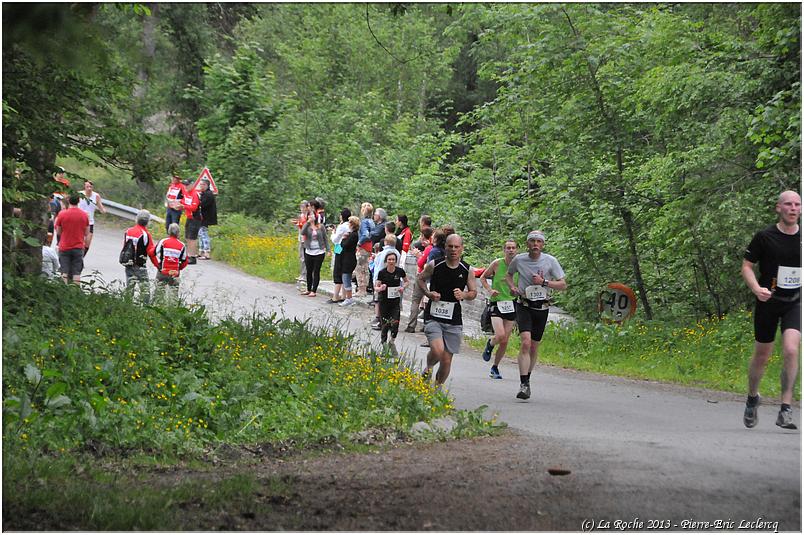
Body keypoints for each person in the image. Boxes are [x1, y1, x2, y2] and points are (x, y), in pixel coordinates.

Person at [742, 190, 801, 430]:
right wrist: (757, 288)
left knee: (790, 348)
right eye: (788, 204)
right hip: (768, 301)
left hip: (795, 301)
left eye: (797, 204)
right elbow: (746, 266)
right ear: (779, 208)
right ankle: (752, 397)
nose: (793, 208)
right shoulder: (765, 237)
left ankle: (785, 408)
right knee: (762, 355)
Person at [505, 230, 567, 400]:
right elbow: (509, 275)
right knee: (525, 342)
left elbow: (563, 285)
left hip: (542, 307)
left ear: (543, 245)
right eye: (532, 241)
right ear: (527, 244)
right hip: (524, 305)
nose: (535, 244)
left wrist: (544, 282)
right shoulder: (519, 259)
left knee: (533, 346)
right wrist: (512, 287)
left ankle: (528, 379)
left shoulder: (550, 261)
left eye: (538, 241)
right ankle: (523, 383)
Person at [417, 233, 477, 387]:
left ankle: (436, 390)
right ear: (445, 248)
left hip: (453, 319)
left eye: (456, 247)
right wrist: (428, 293)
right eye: (450, 246)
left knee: (446, 360)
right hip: (433, 316)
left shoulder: (467, 269)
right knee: (437, 350)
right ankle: (429, 367)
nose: (453, 250)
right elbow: (420, 279)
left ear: (462, 249)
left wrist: (464, 294)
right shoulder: (434, 265)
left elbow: (473, 293)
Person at [480, 239, 520, 379]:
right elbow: (483, 278)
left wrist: (517, 291)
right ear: (504, 250)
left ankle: (495, 367)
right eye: (508, 248)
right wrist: (490, 290)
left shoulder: (520, 266)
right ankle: (490, 344)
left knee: (505, 341)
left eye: (513, 248)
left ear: (517, 250)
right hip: (496, 303)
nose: (510, 250)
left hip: (511, 304)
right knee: (500, 335)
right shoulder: (497, 263)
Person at [375, 250, 408, 353]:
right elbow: (376, 287)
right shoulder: (382, 273)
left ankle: (392, 341)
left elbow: (407, 281)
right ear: (386, 261)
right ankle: (384, 345)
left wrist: (403, 287)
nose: (391, 261)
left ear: (396, 261)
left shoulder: (400, 271)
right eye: (389, 259)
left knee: (395, 324)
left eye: (393, 259)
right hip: (384, 301)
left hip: (395, 302)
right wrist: (381, 288)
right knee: (385, 325)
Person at [123, 210, 158, 303]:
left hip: (128, 264)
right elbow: (151, 253)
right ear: (147, 222)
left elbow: (125, 247)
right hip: (140, 265)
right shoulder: (146, 235)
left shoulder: (128, 231)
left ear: (137, 219)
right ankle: (145, 309)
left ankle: (126, 306)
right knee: (145, 290)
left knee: (129, 287)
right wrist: (158, 265)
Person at [404, 226, 435, 333]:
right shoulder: (441, 249)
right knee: (429, 303)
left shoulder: (429, 249)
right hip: (433, 279)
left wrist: (418, 255)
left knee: (416, 300)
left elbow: (421, 263)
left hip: (423, 276)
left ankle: (411, 325)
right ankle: (427, 325)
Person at [53, 193, 89, 284]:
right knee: (76, 272)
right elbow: (87, 233)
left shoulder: (62, 214)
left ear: (68, 201)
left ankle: (64, 291)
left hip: (65, 246)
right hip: (78, 246)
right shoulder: (84, 215)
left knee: (64, 271)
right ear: (79, 201)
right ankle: (75, 292)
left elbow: (58, 232)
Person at [152, 223, 189, 301]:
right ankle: (173, 310)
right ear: (178, 233)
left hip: (163, 271)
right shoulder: (182, 245)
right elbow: (185, 261)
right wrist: (179, 269)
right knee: (174, 296)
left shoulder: (163, 241)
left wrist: (158, 265)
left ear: (169, 232)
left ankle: (156, 308)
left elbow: (153, 253)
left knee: (158, 294)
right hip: (175, 273)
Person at [301, 205, 330, 297]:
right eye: (309, 216)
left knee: (316, 271)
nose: (310, 217)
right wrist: (307, 223)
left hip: (319, 251)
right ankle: (308, 289)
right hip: (309, 251)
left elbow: (325, 238)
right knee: (309, 271)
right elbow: (302, 232)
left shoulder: (321, 227)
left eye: (312, 215)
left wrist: (328, 249)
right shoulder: (307, 226)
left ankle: (314, 290)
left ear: (316, 216)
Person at [371, 234, 398, 329]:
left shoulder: (381, 254)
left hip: (382, 279)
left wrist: (375, 281)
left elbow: (377, 268)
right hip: (394, 279)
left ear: (385, 242)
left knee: (379, 300)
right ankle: (390, 320)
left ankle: (379, 319)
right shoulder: (397, 253)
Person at [328, 208, 352, 303]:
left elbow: (335, 239)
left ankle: (336, 296)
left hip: (339, 247)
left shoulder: (342, 226)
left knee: (337, 269)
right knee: (343, 272)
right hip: (347, 250)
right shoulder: (350, 226)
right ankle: (344, 295)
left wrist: (333, 233)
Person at [77, 180, 106, 255]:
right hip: (79, 220)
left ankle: (81, 258)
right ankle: (78, 259)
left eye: (90, 187)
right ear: (84, 187)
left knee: (87, 242)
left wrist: (103, 210)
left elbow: (100, 206)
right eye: (87, 187)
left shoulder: (96, 196)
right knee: (78, 241)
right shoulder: (79, 194)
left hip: (90, 222)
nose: (89, 188)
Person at [338, 216, 360, 307]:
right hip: (348, 258)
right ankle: (348, 297)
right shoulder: (352, 234)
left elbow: (344, 245)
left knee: (346, 277)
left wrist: (343, 238)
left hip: (349, 259)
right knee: (345, 277)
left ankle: (349, 298)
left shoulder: (353, 235)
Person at [355, 202, 375, 296]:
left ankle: (361, 289)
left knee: (360, 268)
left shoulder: (364, 222)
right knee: (365, 268)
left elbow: (365, 234)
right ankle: (365, 288)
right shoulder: (371, 221)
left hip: (363, 246)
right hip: (369, 246)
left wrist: (359, 243)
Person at [181, 180, 201, 264]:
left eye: (187, 185)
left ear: (192, 185)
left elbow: (194, 207)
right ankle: (188, 255)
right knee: (188, 237)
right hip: (189, 217)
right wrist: (178, 204)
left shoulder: (195, 194)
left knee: (192, 237)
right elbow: (183, 201)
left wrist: (183, 206)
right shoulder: (186, 193)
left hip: (195, 218)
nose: (186, 187)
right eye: (185, 185)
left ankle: (192, 256)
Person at [197, 178, 217, 260]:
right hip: (202, 217)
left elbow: (202, 205)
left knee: (204, 234)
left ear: (206, 185)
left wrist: (197, 201)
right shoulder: (204, 193)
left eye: (202, 184)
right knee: (200, 234)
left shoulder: (208, 194)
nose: (200, 186)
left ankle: (207, 253)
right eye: (200, 184)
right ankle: (201, 251)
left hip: (206, 218)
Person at [292, 200, 311, 284]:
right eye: (301, 207)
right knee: (301, 256)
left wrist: (300, 224)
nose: (301, 209)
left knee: (305, 257)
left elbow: (307, 226)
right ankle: (302, 274)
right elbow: (301, 225)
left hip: (306, 238)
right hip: (300, 237)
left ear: (307, 207)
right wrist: (298, 223)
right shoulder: (302, 215)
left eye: (303, 207)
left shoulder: (309, 216)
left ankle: (305, 275)